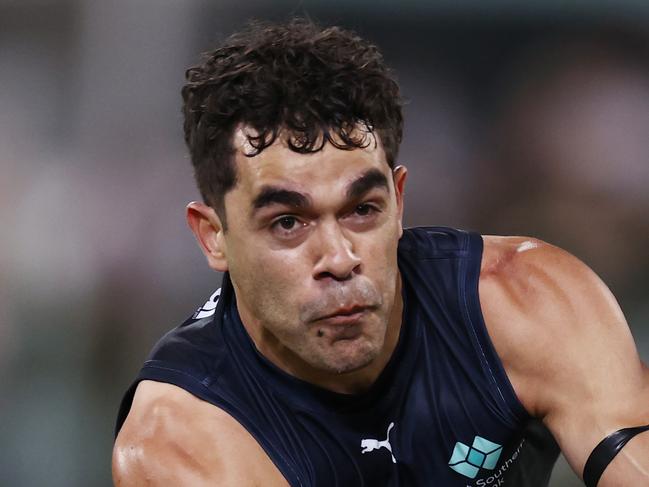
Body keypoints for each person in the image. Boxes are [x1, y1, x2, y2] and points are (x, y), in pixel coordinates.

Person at [112, 18, 649, 486]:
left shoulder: (525, 302)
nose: (340, 258)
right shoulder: (179, 438)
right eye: (288, 222)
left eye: (362, 209)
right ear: (214, 236)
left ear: (399, 201)